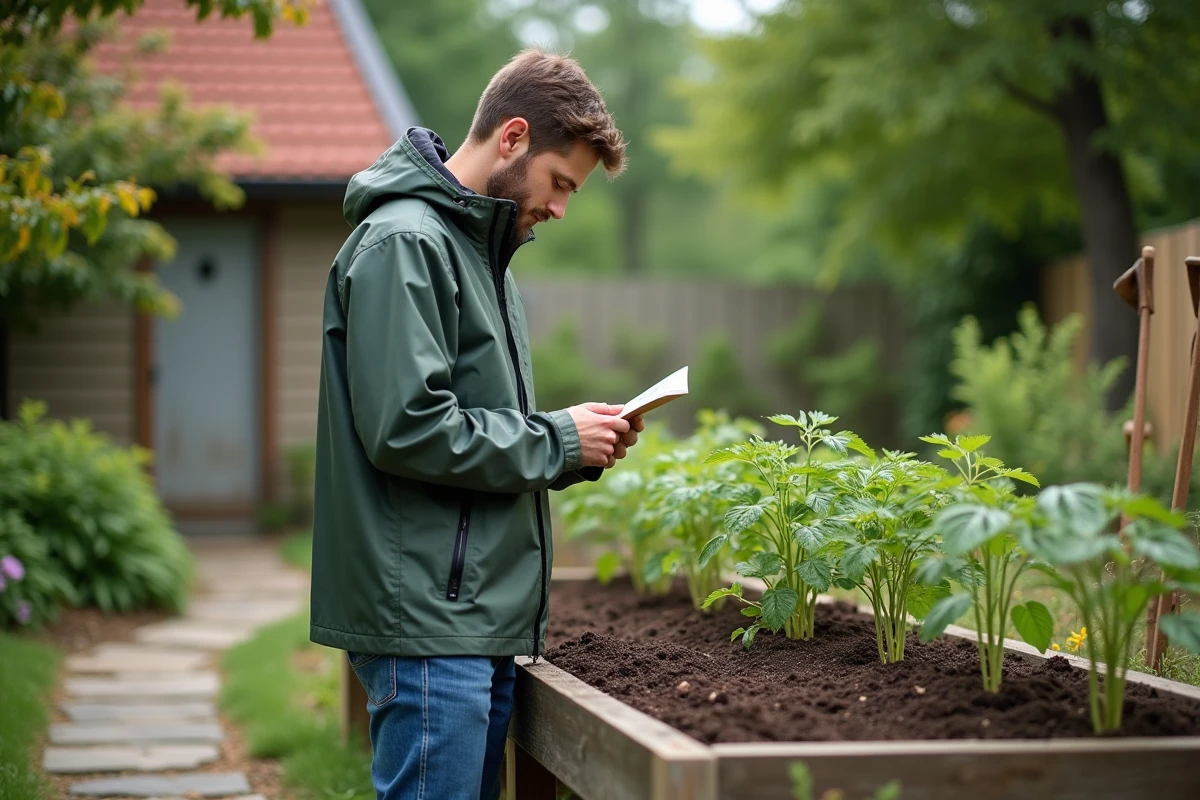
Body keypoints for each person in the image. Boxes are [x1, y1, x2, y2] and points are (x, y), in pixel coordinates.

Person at [309, 49, 640, 800]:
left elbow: (475, 424)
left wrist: (575, 444)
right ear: (514, 136)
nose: (560, 208)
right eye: (561, 183)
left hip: (464, 621)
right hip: (428, 622)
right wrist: (555, 439)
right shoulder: (408, 244)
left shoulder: (477, 252)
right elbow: (409, 427)